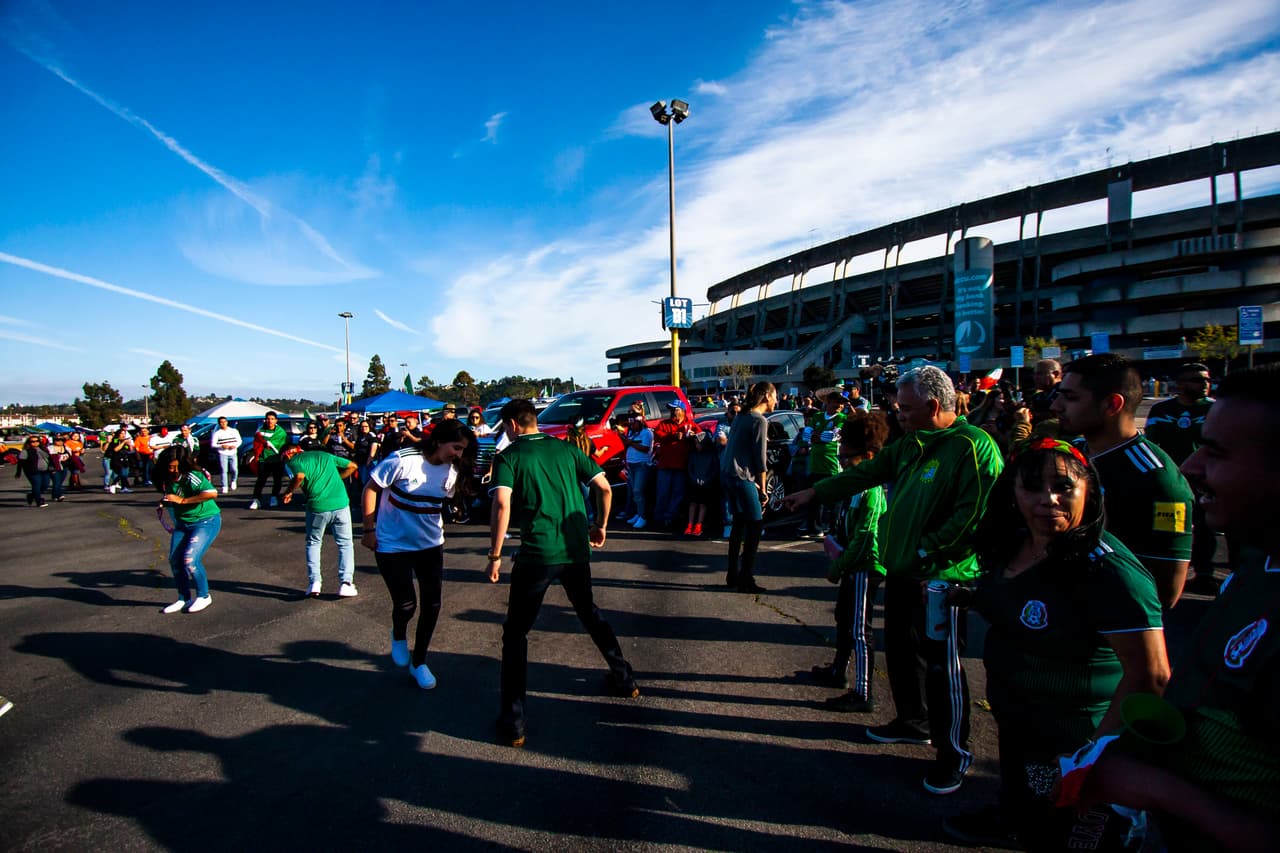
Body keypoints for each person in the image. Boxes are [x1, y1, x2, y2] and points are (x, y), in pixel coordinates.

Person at [1080, 363, 1280, 851]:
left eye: (1218, 452)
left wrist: (1160, 790)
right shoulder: (1257, 562)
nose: (1190, 467)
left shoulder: (1156, 476)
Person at [784, 365, 1003, 795]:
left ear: (934, 406)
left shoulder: (973, 447)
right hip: (903, 573)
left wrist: (927, 554)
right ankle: (912, 720)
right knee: (903, 654)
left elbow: (973, 517)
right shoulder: (909, 445)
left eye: (905, 408)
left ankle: (953, 754)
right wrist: (815, 492)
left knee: (945, 671)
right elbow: (864, 474)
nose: (897, 415)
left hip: (942, 580)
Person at [942, 438, 1168, 848]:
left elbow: (1150, 677)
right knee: (1027, 804)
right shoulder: (1011, 544)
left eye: (1064, 487)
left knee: (1060, 825)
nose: (1048, 499)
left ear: (1090, 490)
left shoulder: (1109, 570)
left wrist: (1094, 758)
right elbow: (1020, 600)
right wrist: (968, 596)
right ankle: (1012, 820)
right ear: (1012, 492)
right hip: (1018, 723)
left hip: (1073, 741)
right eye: (1031, 486)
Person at [486, 399, 639, 749]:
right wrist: (600, 525)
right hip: (574, 550)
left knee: (516, 633)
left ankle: (514, 722)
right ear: (534, 420)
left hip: (537, 554)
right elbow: (603, 486)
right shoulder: (567, 449)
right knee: (589, 612)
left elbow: (502, 504)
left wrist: (494, 555)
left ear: (512, 424)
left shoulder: (509, 457)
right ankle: (624, 676)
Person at [1051, 353, 1194, 608]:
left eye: (1070, 397)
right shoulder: (1068, 454)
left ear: (1112, 405)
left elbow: (1164, 590)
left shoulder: (1157, 480)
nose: (1056, 406)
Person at [362, 419, 477, 690]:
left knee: (432, 604)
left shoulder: (452, 471)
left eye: (462, 450)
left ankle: (420, 661)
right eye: (456, 447)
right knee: (406, 604)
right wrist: (369, 529)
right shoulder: (401, 460)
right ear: (438, 441)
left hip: (430, 545)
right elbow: (370, 489)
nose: (458, 454)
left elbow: (442, 502)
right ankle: (399, 634)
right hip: (392, 545)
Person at [812, 411, 889, 713]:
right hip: (851, 564)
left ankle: (863, 692)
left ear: (868, 456)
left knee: (859, 628)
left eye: (847, 459)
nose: (843, 463)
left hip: (863, 568)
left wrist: (839, 566)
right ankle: (837, 670)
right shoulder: (855, 486)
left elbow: (867, 536)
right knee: (844, 619)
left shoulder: (871, 489)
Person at [1144, 362, 1221, 595]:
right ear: (1180, 384)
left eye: (1207, 379)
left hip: (1204, 481)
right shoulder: (1162, 411)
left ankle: (1205, 573)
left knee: (1206, 528)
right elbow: (1151, 445)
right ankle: (1168, 575)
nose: (1205, 384)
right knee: (1172, 529)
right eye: (1197, 379)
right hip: (1172, 484)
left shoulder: (1215, 410)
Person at [280, 446, 360, 597]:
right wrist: (337, 477)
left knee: (314, 542)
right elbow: (352, 466)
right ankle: (346, 582)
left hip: (317, 506)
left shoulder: (293, 461)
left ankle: (315, 582)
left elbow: (299, 476)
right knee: (345, 543)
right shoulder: (325, 455)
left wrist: (288, 491)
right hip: (341, 503)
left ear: (288, 454)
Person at [721, 381, 777, 593]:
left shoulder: (741, 416)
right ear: (766, 397)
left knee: (738, 524)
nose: (776, 401)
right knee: (755, 524)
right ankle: (746, 577)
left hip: (728, 474)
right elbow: (760, 459)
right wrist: (763, 489)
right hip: (742, 477)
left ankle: (732, 573)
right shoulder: (759, 420)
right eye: (774, 396)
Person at [154, 444, 220, 614]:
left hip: (206, 521)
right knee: (175, 560)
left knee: (190, 560)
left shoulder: (192, 476)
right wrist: (167, 501)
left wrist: (183, 501)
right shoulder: (166, 477)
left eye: (175, 466)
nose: (172, 469)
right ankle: (183, 598)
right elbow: (174, 495)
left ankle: (204, 595)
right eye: (169, 465)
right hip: (182, 524)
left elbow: (211, 493)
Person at [799, 387, 848, 535]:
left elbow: (831, 437)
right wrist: (818, 437)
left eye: (842, 403)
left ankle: (833, 527)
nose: (840, 406)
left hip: (833, 464)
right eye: (837, 402)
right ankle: (815, 526)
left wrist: (817, 437)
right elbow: (806, 435)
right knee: (815, 497)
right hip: (816, 464)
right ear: (828, 402)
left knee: (834, 499)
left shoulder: (842, 418)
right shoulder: (818, 417)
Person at [652, 401, 693, 529]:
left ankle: (671, 519)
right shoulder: (663, 424)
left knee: (678, 495)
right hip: (665, 466)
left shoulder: (690, 425)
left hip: (682, 466)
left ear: (682, 410)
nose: (672, 412)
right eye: (671, 409)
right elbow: (658, 435)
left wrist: (693, 436)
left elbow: (701, 438)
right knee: (662, 493)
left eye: (675, 409)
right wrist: (673, 436)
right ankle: (658, 519)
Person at [616, 412, 654, 529]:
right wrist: (622, 436)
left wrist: (630, 443)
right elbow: (627, 445)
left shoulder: (646, 433)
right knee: (633, 491)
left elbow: (645, 448)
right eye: (631, 424)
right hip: (631, 465)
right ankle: (638, 514)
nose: (631, 426)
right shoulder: (632, 432)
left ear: (640, 422)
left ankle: (643, 516)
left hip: (641, 465)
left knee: (638, 491)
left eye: (634, 423)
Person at [249, 411, 288, 510]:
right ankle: (256, 499)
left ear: (276, 420)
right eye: (268, 419)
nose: (270, 421)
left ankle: (274, 497)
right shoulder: (260, 430)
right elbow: (257, 441)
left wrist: (270, 443)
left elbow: (281, 444)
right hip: (263, 459)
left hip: (276, 459)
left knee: (277, 480)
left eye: (272, 419)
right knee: (261, 480)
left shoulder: (280, 432)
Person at [684, 425, 718, 537]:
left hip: (706, 484)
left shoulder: (712, 456)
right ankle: (690, 524)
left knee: (702, 504)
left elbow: (714, 470)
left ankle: (699, 524)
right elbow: (690, 469)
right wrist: (694, 479)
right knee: (693, 503)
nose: (696, 445)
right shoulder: (693, 455)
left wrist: (707, 480)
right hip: (694, 483)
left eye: (698, 443)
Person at [15, 434, 51, 507]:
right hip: (32, 471)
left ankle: (31, 495)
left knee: (45, 485)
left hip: (45, 470)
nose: (35, 443)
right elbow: (20, 463)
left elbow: (49, 458)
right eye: (32, 441)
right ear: (29, 443)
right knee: (36, 485)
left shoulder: (43, 449)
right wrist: (18, 472)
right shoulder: (25, 451)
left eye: (37, 441)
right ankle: (39, 501)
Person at [1028, 358, 1062, 429]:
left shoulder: (1065, 393)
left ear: (1055, 374)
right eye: (1034, 374)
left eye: (1040, 374)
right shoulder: (1038, 397)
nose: (1035, 378)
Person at [210, 416, 242, 493]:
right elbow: (213, 444)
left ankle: (233, 481)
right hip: (222, 453)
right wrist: (221, 446)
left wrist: (235, 446)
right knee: (224, 470)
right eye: (221, 422)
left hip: (233, 452)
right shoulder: (217, 433)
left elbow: (239, 441)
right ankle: (224, 486)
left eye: (224, 422)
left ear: (227, 422)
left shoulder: (234, 431)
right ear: (219, 424)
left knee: (234, 469)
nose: (223, 423)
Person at [104, 425, 135, 494]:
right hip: (117, 459)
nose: (123, 435)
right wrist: (123, 443)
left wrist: (129, 444)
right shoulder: (115, 440)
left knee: (126, 474)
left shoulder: (126, 440)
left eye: (124, 434)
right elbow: (116, 449)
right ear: (118, 434)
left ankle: (124, 488)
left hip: (125, 458)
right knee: (122, 473)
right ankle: (113, 484)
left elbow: (130, 450)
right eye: (122, 433)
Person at [47, 434, 70, 502]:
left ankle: (54, 495)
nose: (60, 442)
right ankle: (59, 495)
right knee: (56, 482)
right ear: (54, 441)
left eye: (62, 440)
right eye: (57, 440)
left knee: (60, 482)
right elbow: (49, 458)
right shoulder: (50, 448)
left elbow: (71, 456)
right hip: (54, 468)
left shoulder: (66, 447)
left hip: (64, 467)